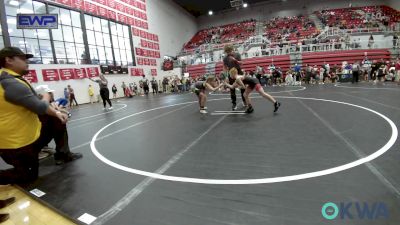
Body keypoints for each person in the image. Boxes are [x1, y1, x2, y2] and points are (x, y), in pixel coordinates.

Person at [0, 47, 73, 186]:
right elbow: (40, 107)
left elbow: (37, 105)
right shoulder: (9, 82)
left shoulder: (11, 78)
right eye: (22, 58)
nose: (27, 62)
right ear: (8, 60)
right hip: (15, 142)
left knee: (56, 120)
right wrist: (46, 96)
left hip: (29, 134)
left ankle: (63, 154)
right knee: (28, 176)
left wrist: (57, 113)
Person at [223, 45, 246, 110]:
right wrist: (226, 76)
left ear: (232, 49)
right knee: (232, 89)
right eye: (227, 52)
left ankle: (244, 101)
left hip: (238, 71)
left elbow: (242, 63)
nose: (228, 53)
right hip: (231, 73)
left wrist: (235, 60)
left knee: (242, 88)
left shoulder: (237, 54)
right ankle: (234, 103)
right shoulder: (225, 58)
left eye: (229, 51)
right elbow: (224, 67)